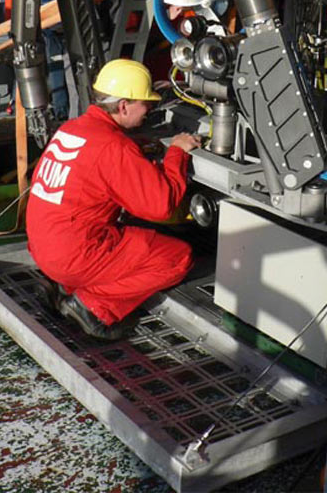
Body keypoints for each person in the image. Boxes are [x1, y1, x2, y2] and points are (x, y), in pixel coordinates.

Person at [26, 58, 201, 340]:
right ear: (123, 106)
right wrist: (177, 152)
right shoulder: (113, 147)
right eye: (146, 104)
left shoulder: (72, 128)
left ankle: (65, 284)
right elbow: (161, 205)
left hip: (44, 249)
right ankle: (93, 306)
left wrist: (134, 148)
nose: (149, 111)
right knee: (177, 257)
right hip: (74, 257)